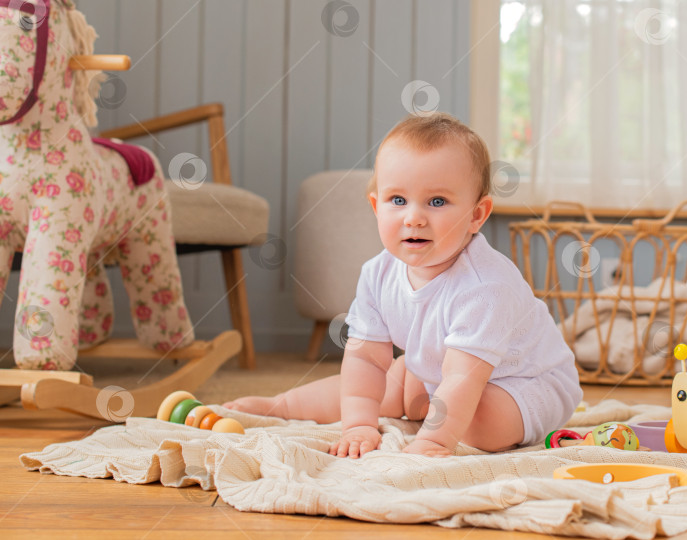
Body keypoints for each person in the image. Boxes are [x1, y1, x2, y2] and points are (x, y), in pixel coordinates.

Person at [224, 113, 582, 458]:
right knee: (375, 381)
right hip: (439, 372)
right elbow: (364, 358)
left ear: (476, 215)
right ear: (376, 207)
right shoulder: (377, 274)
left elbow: (463, 376)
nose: (414, 217)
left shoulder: (485, 286)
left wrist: (436, 441)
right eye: (398, 200)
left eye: (437, 201)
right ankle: (282, 405)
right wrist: (359, 425)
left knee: (477, 420)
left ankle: (430, 412)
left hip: (526, 382)